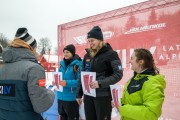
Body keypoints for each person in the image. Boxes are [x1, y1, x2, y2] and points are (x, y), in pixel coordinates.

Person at [0, 27, 55, 120]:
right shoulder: (34, 69)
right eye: (35, 48)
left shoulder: (2, 69)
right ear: (30, 48)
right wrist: (50, 93)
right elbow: (41, 105)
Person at [76, 26, 123, 120]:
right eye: (88, 41)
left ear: (100, 40)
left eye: (92, 40)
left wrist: (100, 83)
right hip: (88, 96)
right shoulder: (87, 56)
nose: (90, 43)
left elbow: (118, 74)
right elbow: (83, 75)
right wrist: (79, 94)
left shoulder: (111, 54)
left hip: (103, 96)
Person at [119, 48, 166, 120]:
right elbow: (131, 102)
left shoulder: (152, 82)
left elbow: (151, 113)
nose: (130, 61)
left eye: (132, 58)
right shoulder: (133, 79)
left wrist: (122, 109)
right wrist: (119, 104)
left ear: (141, 62)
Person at [56, 44, 82, 120]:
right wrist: (56, 82)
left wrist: (66, 83)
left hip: (71, 99)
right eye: (64, 52)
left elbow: (80, 82)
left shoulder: (77, 65)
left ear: (72, 53)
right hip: (60, 98)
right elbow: (59, 78)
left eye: (67, 52)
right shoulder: (61, 64)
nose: (65, 54)